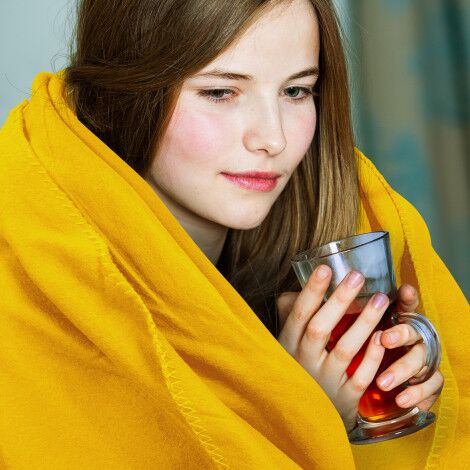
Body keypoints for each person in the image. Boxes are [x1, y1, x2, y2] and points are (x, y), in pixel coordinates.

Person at [0, 0, 467, 468]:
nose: (273, 138)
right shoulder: (25, 303)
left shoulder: (350, 221)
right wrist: (299, 415)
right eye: (221, 92)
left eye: (296, 91)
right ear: (122, 93)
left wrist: (392, 376)